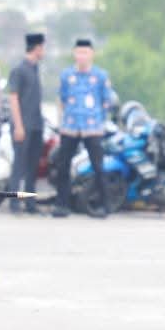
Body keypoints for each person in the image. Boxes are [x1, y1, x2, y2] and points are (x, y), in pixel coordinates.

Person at [54, 38, 117, 218]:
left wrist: (99, 119)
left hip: (93, 127)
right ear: (74, 53)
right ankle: (61, 204)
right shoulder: (67, 75)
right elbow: (62, 99)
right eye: (79, 52)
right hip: (70, 126)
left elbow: (107, 100)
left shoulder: (100, 76)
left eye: (85, 52)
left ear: (92, 54)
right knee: (63, 165)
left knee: (98, 166)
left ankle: (104, 205)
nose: (82, 56)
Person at [5, 32, 46, 215]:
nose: (43, 51)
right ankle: (14, 204)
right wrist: (19, 126)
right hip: (23, 126)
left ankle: (30, 203)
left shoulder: (35, 68)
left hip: (37, 124)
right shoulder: (19, 69)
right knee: (19, 166)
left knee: (33, 166)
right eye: (43, 47)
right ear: (37, 48)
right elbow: (13, 98)